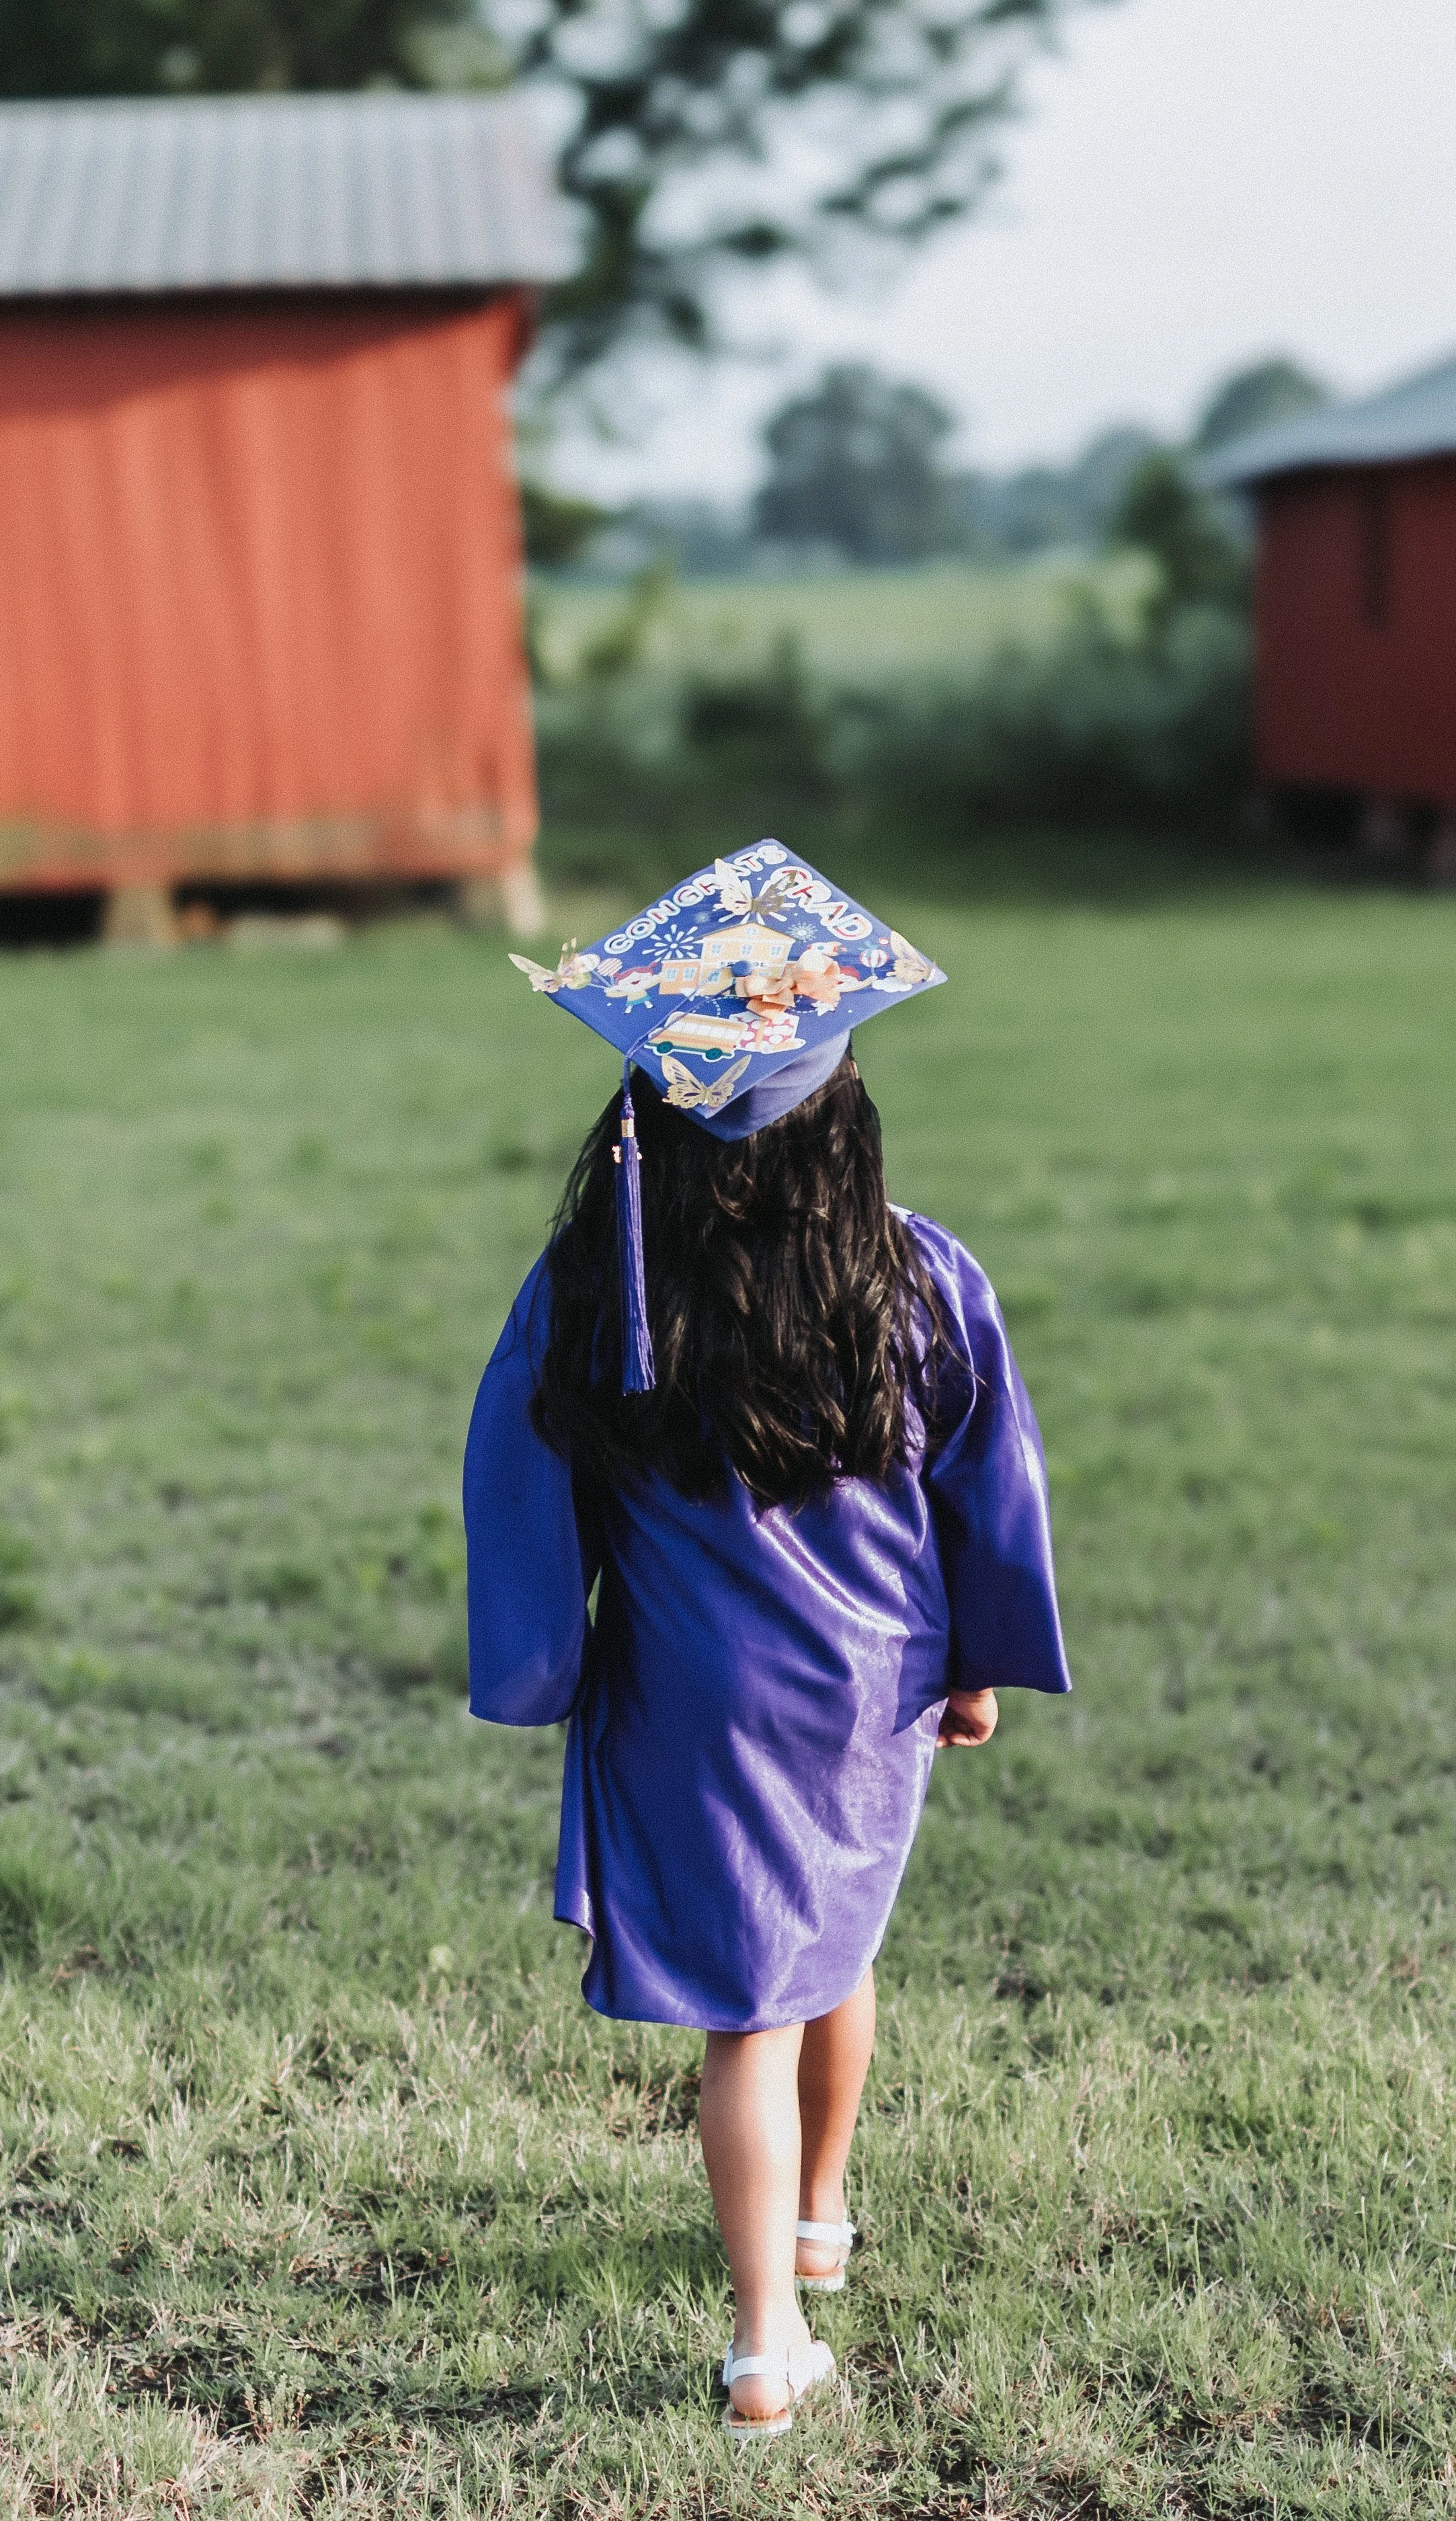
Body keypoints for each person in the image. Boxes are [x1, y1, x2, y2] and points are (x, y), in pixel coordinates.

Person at [464, 852, 1069, 2440]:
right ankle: (788, 2281)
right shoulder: (916, 1277)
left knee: (752, 2004)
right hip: (866, 1690)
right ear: (841, 1104)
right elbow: (986, 1482)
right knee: (838, 1949)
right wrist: (979, 1659)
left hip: (688, 1702)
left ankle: (772, 2318)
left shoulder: (597, 1292)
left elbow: (517, 1477)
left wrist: (543, 1665)